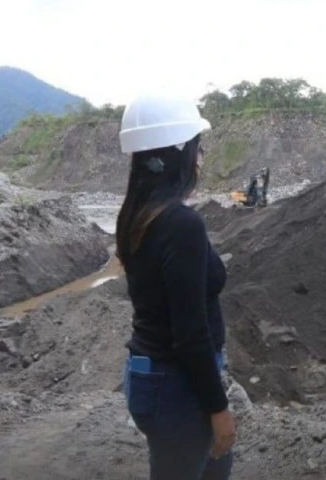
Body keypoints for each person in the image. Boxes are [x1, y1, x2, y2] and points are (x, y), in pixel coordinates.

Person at [116, 91, 236, 480]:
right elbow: (189, 333)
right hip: (178, 386)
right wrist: (218, 410)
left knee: (212, 469)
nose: (200, 160)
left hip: (155, 377)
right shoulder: (180, 225)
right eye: (198, 150)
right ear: (180, 153)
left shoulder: (137, 215)